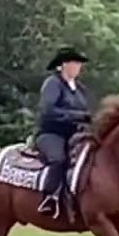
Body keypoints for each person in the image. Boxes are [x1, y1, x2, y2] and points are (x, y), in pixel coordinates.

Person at [35, 47, 92, 218]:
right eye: (74, 63)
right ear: (63, 65)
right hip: (51, 134)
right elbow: (48, 111)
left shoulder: (80, 89)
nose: (78, 67)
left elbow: (87, 112)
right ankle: (50, 198)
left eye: (79, 64)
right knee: (58, 160)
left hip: (76, 135)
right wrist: (79, 116)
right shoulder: (53, 83)